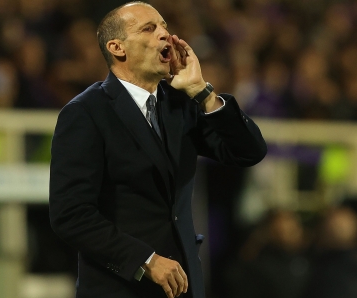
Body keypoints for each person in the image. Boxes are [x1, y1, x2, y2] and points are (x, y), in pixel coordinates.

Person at [48, 2, 267, 298]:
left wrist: (202, 91)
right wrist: (145, 260)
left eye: (164, 26)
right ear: (117, 47)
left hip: (184, 288)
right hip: (120, 289)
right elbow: (71, 214)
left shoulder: (182, 103)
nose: (165, 34)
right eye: (149, 28)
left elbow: (248, 152)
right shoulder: (86, 113)